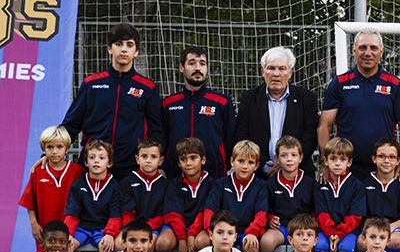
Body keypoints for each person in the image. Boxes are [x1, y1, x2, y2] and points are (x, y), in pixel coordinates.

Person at [61, 24, 164, 179]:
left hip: (131, 167)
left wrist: (157, 164)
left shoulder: (147, 88)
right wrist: (49, 154)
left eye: (129, 45)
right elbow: (71, 124)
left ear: (136, 52)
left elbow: (157, 132)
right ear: (110, 49)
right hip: (94, 164)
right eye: (118, 44)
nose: (123, 49)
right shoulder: (91, 84)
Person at [318, 31, 400, 179]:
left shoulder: (393, 84)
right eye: (363, 47)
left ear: (381, 51)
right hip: (346, 167)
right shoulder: (340, 83)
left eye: (373, 48)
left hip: (384, 167)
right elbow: (324, 125)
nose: (368, 53)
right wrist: (325, 162)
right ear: (354, 50)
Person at [235, 46, 319, 177]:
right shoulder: (249, 98)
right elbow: (242, 135)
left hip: (298, 174)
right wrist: (263, 164)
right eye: (271, 68)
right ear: (263, 72)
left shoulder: (307, 98)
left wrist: (287, 163)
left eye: (282, 68)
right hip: (258, 173)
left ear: (290, 73)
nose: (276, 74)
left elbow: (311, 137)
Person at [118, 138, 184, 252]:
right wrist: (135, 231)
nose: (148, 161)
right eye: (144, 156)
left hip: (157, 226)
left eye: (153, 157)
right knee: (123, 243)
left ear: (160, 161)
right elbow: (127, 212)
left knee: (157, 243)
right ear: (137, 159)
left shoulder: (167, 184)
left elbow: (164, 213)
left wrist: (148, 230)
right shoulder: (128, 182)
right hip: (135, 226)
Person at [162, 46, 235, 178]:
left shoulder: (222, 102)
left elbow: (230, 139)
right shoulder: (169, 104)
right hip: (176, 176)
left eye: (202, 63)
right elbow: (163, 139)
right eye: (192, 63)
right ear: (181, 68)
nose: (197, 68)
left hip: (214, 175)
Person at [258, 136, 317, 252]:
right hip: (281, 228)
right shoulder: (270, 183)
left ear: (301, 157)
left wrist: (309, 225)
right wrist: (270, 217)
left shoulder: (310, 183)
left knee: (318, 245)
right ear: (277, 158)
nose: (289, 159)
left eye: (293, 155)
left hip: (303, 228)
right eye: (284, 155)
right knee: (266, 242)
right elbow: (265, 208)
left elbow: (315, 209)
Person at [200, 141, 268, 252]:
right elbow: (210, 209)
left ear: (257, 165)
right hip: (224, 229)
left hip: (247, 231)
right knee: (202, 241)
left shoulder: (261, 186)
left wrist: (252, 232)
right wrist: (213, 230)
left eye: (250, 162)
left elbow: (261, 214)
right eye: (241, 161)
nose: (245, 166)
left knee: (251, 246)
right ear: (232, 161)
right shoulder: (221, 183)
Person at [19, 126, 83, 252]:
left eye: (59, 147)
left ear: (67, 148)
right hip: (45, 229)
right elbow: (29, 201)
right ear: (44, 148)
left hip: (71, 229)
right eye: (50, 147)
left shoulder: (77, 171)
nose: (54, 151)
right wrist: (34, 224)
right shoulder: (37, 172)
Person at [64, 140, 123, 252]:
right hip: (82, 228)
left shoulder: (115, 186)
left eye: (101, 158)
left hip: (102, 228)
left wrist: (110, 234)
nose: (96, 161)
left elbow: (115, 216)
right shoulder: (78, 185)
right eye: (92, 157)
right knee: (66, 245)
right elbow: (71, 214)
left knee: (107, 246)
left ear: (109, 163)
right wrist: (67, 233)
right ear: (86, 162)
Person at [315, 137, 366, 252]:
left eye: (342, 159)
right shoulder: (320, 184)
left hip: (349, 231)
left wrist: (338, 234)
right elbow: (321, 213)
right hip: (326, 231)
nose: (337, 163)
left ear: (349, 162)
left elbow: (356, 216)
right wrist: (331, 234)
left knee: (345, 251)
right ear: (325, 161)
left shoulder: (357, 186)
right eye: (333, 159)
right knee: (320, 248)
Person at [359, 139, 400, 252]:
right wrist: (375, 229)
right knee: (362, 242)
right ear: (374, 159)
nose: (386, 161)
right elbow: (362, 214)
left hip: (395, 227)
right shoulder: (365, 184)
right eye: (381, 156)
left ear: (398, 161)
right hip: (372, 226)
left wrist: (388, 228)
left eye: (391, 157)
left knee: (395, 241)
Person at [172, 137, 215, 252]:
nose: (188, 163)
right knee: (165, 242)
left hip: (201, 225)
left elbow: (206, 211)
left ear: (203, 160)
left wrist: (191, 234)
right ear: (178, 163)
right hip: (180, 226)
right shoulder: (175, 184)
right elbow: (173, 214)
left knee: (202, 241)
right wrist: (183, 238)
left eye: (193, 158)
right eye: (183, 159)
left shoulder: (212, 183)